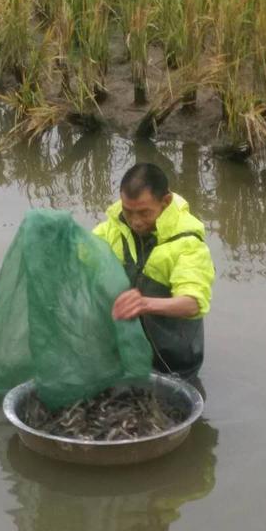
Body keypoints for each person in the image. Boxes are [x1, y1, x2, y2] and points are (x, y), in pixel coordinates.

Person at [93, 163, 214, 381]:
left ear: (165, 202)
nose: (136, 221)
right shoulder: (113, 228)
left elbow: (192, 303)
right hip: (126, 354)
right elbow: (82, 256)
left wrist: (144, 304)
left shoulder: (188, 243)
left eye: (144, 213)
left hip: (173, 362)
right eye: (128, 211)